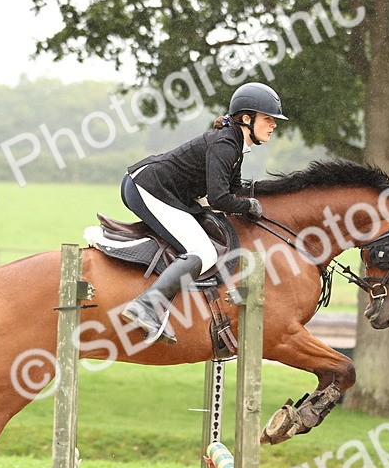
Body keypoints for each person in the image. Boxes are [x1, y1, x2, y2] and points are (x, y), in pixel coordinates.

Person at [119, 81, 287, 344]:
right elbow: (220, 198)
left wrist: (260, 198)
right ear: (246, 118)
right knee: (202, 252)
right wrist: (248, 206)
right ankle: (147, 305)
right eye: (268, 119)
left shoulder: (235, 147)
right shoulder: (225, 145)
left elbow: (233, 189)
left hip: (164, 190)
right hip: (147, 187)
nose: (273, 125)